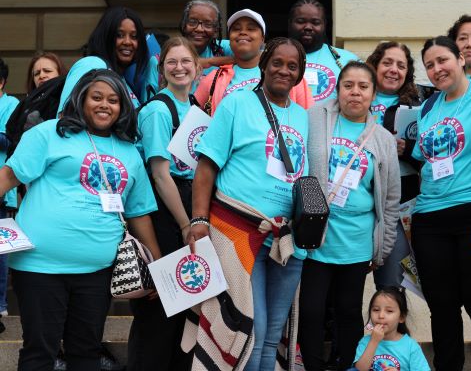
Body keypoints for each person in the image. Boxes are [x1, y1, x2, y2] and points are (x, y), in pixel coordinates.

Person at [0, 69, 161, 371]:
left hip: (97, 271)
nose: (105, 105)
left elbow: (139, 212)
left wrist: (156, 264)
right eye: (96, 97)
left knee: (86, 353)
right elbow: (8, 177)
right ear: (81, 99)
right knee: (40, 353)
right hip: (39, 267)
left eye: (113, 100)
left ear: (123, 107)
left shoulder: (129, 151)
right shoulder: (50, 133)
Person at [184, 37, 309, 371]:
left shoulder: (303, 117)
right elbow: (206, 166)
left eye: (292, 66)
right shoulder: (236, 104)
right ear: (265, 64)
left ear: (300, 75)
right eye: (278, 62)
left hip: (286, 239)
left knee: (272, 337)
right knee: (250, 330)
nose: (284, 70)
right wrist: (199, 220)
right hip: (239, 232)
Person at [299, 61, 401, 370]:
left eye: (363, 87)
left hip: (356, 241)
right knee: (312, 311)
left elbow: (391, 199)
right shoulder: (315, 118)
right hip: (316, 239)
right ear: (338, 89)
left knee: (348, 311)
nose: (355, 92)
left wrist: (382, 248)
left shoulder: (383, 139)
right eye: (348, 85)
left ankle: (348, 365)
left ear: (373, 94)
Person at [411, 36, 471, 371]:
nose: (436, 69)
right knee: (443, 308)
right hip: (429, 218)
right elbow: (423, 156)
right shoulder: (429, 107)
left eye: (442, 60)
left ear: (462, 59)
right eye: (430, 65)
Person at [128, 36, 201, 371]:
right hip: (166, 212)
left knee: (185, 311)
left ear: (198, 67)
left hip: (189, 207)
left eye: (186, 61)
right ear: (161, 68)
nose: (179, 67)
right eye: (172, 62)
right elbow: (160, 174)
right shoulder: (159, 109)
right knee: (159, 312)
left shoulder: (197, 107)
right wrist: (187, 223)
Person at [365, 42, 422, 290]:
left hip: (399, 208)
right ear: (375, 65)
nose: (393, 70)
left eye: (401, 65)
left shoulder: (422, 104)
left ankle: (391, 330)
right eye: (387, 62)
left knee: (391, 287)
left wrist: (406, 151)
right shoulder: (357, 96)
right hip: (359, 204)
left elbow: (432, 156)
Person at [194, 8, 313, 113]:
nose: (243, 32)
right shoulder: (214, 79)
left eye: (251, 29)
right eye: (236, 29)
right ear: (229, 39)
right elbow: (193, 125)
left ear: (262, 38)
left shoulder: (287, 76)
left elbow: (309, 121)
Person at [58, 6, 153, 114]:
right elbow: (65, 116)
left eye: (134, 36)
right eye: (119, 35)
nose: (127, 42)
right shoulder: (92, 64)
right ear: (106, 36)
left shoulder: (122, 79)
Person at [288, 0, 360, 106]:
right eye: (301, 21)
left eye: (315, 22)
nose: (308, 27)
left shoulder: (348, 60)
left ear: (325, 25)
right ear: (290, 23)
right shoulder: (273, 59)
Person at [353, 287, 430, 371]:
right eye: (376, 310)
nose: (381, 315)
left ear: (401, 317)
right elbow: (359, 369)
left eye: (389, 311)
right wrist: (374, 341)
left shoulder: (411, 346)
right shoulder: (365, 341)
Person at [0, 57, 20, 334]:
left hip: (3, 193)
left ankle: (1, 302)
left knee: (1, 252)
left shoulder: (11, 105)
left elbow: (9, 140)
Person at [179, 0, 234, 76]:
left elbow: (254, 55)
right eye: (192, 22)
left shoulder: (221, 47)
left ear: (216, 31)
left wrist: (208, 62)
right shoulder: (170, 53)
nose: (199, 29)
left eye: (208, 24)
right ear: (184, 25)